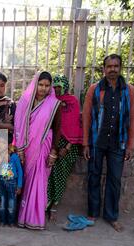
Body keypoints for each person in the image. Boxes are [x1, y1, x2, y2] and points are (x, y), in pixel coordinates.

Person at [82, 54, 134, 232]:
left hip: (118, 143)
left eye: (116, 66)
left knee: (115, 179)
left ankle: (111, 216)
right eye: (109, 66)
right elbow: (86, 117)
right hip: (97, 142)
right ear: (103, 68)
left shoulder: (128, 90)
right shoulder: (95, 89)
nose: (112, 69)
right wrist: (85, 143)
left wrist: (130, 145)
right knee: (93, 176)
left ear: (120, 68)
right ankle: (92, 213)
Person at [14, 71, 62, 230]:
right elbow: (19, 125)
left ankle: (35, 219)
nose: (43, 88)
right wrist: (19, 147)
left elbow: (57, 129)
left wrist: (54, 152)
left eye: (47, 85)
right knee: (25, 180)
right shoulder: (25, 102)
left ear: (50, 87)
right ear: (35, 84)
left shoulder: (54, 104)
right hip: (27, 147)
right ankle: (22, 216)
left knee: (39, 180)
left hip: (43, 146)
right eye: (40, 84)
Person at [46, 74, 83, 222]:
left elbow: (74, 125)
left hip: (68, 146)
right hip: (52, 143)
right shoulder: (50, 101)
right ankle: (45, 203)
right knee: (48, 175)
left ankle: (54, 206)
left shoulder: (72, 102)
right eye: (55, 87)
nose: (57, 90)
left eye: (60, 87)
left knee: (60, 177)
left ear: (66, 87)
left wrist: (66, 147)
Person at [0, 143, 23, 227]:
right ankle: (2, 221)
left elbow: (20, 172)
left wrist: (19, 186)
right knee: (2, 204)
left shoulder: (14, 157)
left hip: (12, 184)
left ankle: (11, 222)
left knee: (11, 204)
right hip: (1, 183)